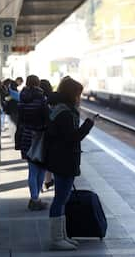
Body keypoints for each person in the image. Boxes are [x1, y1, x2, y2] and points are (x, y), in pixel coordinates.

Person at [45, 76, 95, 251]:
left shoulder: (61, 110)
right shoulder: (65, 113)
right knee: (60, 199)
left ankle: (62, 235)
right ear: (70, 94)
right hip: (64, 160)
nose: (79, 98)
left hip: (62, 159)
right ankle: (57, 238)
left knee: (62, 198)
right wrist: (88, 125)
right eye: (77, 94)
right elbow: (71, 138)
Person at [18, 75, 49, 211]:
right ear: (38, 84)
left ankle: (34, 198)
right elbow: (46, 118)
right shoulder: (42, 99)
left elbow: (20, 118)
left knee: (32, 169)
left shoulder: (22, 98)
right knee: (41, 168)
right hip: (40, 137)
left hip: (26, 135)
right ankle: (35, 199)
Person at [39, 79, 54, 190]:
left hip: (37, 133)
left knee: (38, 160)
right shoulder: (52, 99)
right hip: (49, 133)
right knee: (48, 159)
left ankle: (40, 185)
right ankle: (47, 181)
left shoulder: (37, 99)